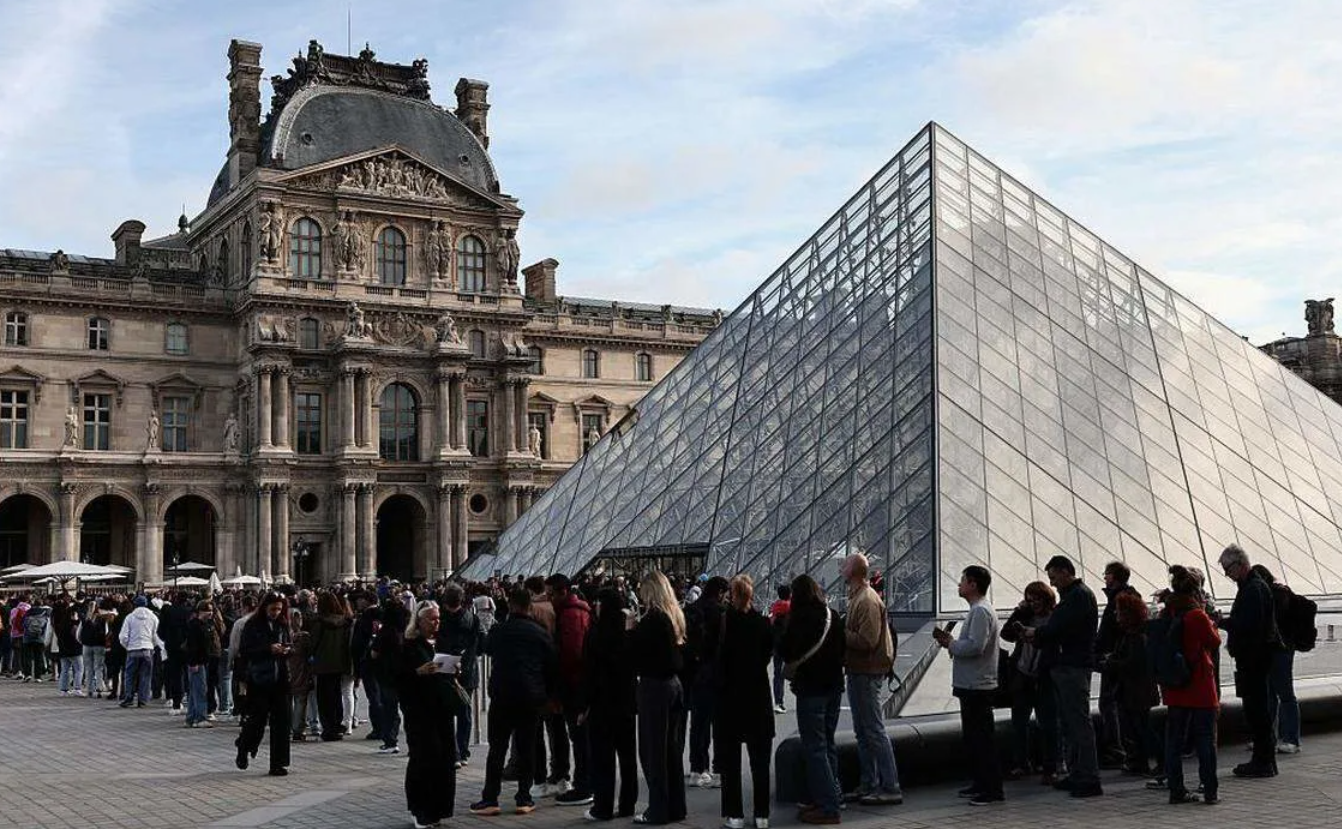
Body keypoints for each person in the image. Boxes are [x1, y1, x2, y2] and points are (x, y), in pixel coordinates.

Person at [471, 588, 558, 817]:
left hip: (502, 696)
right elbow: (551, 665)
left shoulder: (499, 630)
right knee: (527, 748)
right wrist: (548, 695)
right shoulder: (539, 632)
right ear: (530, 606)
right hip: (530, 697)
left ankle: (490, 799)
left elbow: (486, 648)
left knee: (497, 749)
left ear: (510, 606)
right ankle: (524, 798)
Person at [1024, 555, 1102, 797]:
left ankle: (1088, 778)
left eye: (1054, 577)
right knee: (1070, 722)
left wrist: (1036, 633)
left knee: (1078, 723)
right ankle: (1078, 773)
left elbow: (1058, 628)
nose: (1052, 583)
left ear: (1066, 572)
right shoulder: (1075, 596)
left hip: (1072, 666)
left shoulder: (1077, 597)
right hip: (1069, 665)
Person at [933, 565, 1003, 806]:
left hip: (977, 685)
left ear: (973, 584)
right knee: (975, 739)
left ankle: (991, 789)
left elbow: (975, 646)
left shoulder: (980, 611)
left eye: (962, 580)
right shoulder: (979, 610)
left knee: (981, 739)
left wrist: (951, 644)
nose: (959, 584)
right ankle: (981, 784)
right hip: (973, 683)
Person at [779, 574, 845, 825]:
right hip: (834, 688)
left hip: (811, 690)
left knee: (815, 748)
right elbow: (842, 649)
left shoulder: (799, 618)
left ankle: (828, 807)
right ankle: (830, 797)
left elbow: (786, 651)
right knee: (828, 744)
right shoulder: (832, 615)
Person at [1155, 565, 1221, 804]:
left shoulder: (1167, 613)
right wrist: (1212, 621)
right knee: (1205, 739)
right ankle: (1210, 790)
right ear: (1196, 591)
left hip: (1175, 685)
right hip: (1199, 683)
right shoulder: (1196, 615)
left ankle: (1176, 789)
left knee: (1174, 740)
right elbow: (1214, 641)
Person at [840, 553, 901, 806]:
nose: (841, 566)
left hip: (866, 671)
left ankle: (890, 786)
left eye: (845, 564)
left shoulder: (866, 600)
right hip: (859, 670)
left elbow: (867, 641)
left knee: (873, 730)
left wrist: (840, 633)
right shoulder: (859, 597)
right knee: (863, 731)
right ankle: (869, 783)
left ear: (854, 570)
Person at [1217, 544, 1282, 778]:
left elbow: (1248, 625)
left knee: (1257, 710)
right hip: (1256, 658)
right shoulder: (1253, 586)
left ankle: (1263, 761)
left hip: (1253, 659)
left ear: (1240, 564)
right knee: (1258, 709)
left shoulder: (1253, 589)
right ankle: (1265, 761)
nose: (1228, 574)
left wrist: (1223, 622)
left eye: (1228, 569)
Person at [716, 574, 775, 829]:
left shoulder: (724, 622)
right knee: (760, 762)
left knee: (730, 762)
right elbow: (767, 655)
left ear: (732, 594)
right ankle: (761, 815)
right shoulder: (762, 624)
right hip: (758, 696)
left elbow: (717, 658)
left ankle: (735, 815)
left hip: (730, 698)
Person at [631, 571, 688, 826]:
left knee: (653, 751)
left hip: (654, 687)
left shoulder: (652, 620)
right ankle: (676, 807)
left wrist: (630, 631)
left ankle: (657, 810)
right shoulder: (674, 614)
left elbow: (635, 656)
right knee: (671, 750)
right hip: (674, 685)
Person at [398, 601, 460, 829]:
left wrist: (454, 670)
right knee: (423, 758)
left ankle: (438, 808)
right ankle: (420, 809)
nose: (436, 623)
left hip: (441, 709)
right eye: (432, 619)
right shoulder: (409, 645)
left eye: (438, 618)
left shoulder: (441, 642)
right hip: (419, 711)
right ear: (419, 621)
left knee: (444, 759)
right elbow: (396, 676)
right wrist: (417, 672)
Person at [579, 587, 638, 822]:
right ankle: (627, 804)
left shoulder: (596, 633)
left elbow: (589, 673)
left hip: (602, 704)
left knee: (603, 758)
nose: (595, 605)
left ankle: (602, 807)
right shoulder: (628, 632)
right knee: (627, 757)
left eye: (598, 602)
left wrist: (584, 705)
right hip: (626, 702)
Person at [1000, 581, 1058, 783]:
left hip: (1044, 676)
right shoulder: (1026, 616)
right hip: (1023, 674)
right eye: (1030, 600)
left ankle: (1050, 766)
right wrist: (1019, 612)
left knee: (1048, 723)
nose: (1034, 604)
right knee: (1019, 722)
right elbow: (1006, 634)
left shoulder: (1054, 618)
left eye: (1037, 599)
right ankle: (1022, 763)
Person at [546, 573, 594, 806]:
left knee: (579, 738)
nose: (548, 599)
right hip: (579, 683)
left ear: (563, 591)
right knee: (581, 738)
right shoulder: (579, 611)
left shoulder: (570, 615)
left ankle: (583, 786)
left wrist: (559, 684)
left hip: (574, 685)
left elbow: (572, 654)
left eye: (551, 594)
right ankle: (585, 783)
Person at [236, 593, 292, 776]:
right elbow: (245, 651)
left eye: (279, 609)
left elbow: (289, 643)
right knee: (257, 720)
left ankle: (278, 763)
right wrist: (268, 649)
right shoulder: (252, 625)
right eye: (273, 608)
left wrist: (287, 649)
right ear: (265, 607)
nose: (276, 612)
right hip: (260, 679)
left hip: (281, 678)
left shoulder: (283, 624)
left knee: (282, 722)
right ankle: (244, 746)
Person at [1102, 592, 1157, 776]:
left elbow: (1132, 664)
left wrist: (1110, 662)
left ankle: (1144, 762)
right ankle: (1142, 761)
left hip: (1135, 692)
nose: (1115, 615)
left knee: (1138, 728)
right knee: (1138, 728)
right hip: (1138, 690)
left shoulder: (1134, 637)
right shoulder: (1137, 635)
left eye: (1118, 612)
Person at [1252, 564, 1302, 755]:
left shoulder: (1277, 595)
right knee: (1272, 694)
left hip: (1280, 650)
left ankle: (1291, 739)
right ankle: (1271, 737)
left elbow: (1271, 621)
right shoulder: (1278, 593)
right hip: (1277, 650)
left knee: (1284, 694)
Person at [1095, 561, 1140, 768]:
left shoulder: (1120, 598)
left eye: (1107, 574)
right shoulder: (1127, 595)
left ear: (1114, 576)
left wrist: (1100, 651)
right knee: (1114, 703)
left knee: (1110, 702)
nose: (1104, 577)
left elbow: (1112, 629)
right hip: (1116, 657)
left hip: (1114, 658)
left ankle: (1117, 750)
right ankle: (1125, 751)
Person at [438, 582, 485, 768]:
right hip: (468, 671)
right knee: (464, 713)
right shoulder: (472, 619)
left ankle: (454, 752)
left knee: (447, 713)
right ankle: (463, 751)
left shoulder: (440, 620)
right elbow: (479, 646)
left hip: (445, 670)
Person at [307, 591, 353, 741]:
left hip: (322, 663)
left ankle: (328, 728)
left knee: (324, 698)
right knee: (336, 695)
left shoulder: (319, 622)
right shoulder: (344, 622)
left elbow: (313, 643)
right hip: (339, 663)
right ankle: (337, 725)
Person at [119, 595, 165, 707]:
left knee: (130, 675)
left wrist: (128, 646)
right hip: (147, 649)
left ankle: (129, 698)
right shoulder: (153, 617)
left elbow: (123, 636)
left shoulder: (130, 617)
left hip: (133, 649)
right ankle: (143, 700)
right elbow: (157, 635)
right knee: (145, 676)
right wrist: (152, 645)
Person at [183, 600, 216, 728]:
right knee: (200, 690)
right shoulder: (195, 625)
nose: (210, 613)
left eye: (211, 610)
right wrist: (193, 662)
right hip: (197, 662)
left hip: (203, 660)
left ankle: (190, 718)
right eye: (207, 610)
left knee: (194, 691)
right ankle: (200, 717)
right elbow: (192, 645)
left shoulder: (206, 624)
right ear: (200, 611)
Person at [768, 584, 791, 713]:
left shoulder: (775, 607)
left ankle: (778, 701)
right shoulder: (791, 607)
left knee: (778, 674)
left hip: (777, 645)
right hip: (789, 644)